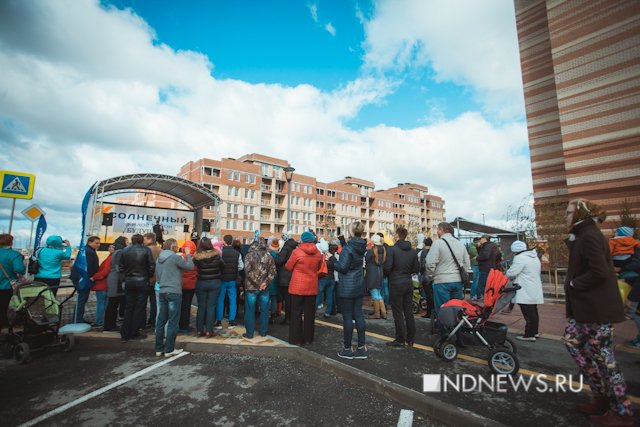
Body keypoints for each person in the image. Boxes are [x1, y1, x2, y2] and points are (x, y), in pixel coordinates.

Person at [563, 199, 633, 426]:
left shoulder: (590, 235)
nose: (566, 216)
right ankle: (601, 396)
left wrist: (574, 284)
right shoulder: (581, 236)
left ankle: (622, 412)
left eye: (569, 212)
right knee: (573, 342)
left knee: (605, 359)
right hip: (585, 310)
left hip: (596, 310)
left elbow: (600, 271)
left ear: (581, 214)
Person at [426, 222, 470, 336]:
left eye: (437, 230)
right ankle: (457, 334)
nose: (437, 232)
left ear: (441, 230)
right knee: (457, 310)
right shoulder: (460, 244)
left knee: (443, 310)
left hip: (442, 281)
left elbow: (430, 263)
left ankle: (445, 336)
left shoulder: (438, 243)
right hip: (457, 282)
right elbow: (466, 264)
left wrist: (431, 274)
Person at [333, 222, 368, 359]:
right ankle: (361, 348)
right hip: (358, 284)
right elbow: (351, 251)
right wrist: (342, 240)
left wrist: (331, 261)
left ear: (351, 232)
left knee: (347, 317)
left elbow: (343, 267)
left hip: (347, 286)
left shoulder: (349, 249)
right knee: (358, 315)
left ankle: (347, 349)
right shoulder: (361, 245)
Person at [155, 238, 194, 357]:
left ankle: (158, 348)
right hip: (174, 291)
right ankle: (169, 349)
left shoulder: (159, 259)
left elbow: (157, 276)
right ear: (173, 247)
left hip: (162, 290)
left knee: (161, 320)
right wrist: (187, 255)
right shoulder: (175, 257)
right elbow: (190, 266)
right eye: (176, 246)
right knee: (173, 321)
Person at [384, 227, 420, 347]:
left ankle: (400, 339)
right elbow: (416, 269)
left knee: (398, 312)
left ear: (397, 235)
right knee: (408, 312)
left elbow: (387, 268)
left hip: (396, 282)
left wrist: (390, 273)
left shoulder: (392, 249)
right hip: (408, 282)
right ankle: (411, 339)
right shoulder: (413, 251)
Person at [286, 231, 322, 346]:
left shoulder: (297, 252)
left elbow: (288, 266)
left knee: (296, 313)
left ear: (302, 240)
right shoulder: (318, 253)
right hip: (312, 285)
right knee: (310, 313)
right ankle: (308, 338)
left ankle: (296, 339)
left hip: (298, 286)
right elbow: (319, 267)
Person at [119, 234, 155, 342]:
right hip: (142, 280)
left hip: (129, 281)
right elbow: (151, 266)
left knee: (129, 307)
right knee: (139, 307)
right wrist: (148, 275)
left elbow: (120, 266)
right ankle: (134, 331)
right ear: (141, 240)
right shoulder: (146, 250)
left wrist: (125, 277)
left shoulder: (125, 250)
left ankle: (125, 333)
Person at [506, 240, 543, 342]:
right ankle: (534, 331)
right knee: (533, 311)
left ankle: (529, 334)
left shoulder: (520, 258)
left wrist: (505, 275)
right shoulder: (534, 257)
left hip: (525, 288)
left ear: (515, 251)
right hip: (534, 287)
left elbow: (512, 273)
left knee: (527, 311)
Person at [242, 236, 277, 339]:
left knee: (250, 310)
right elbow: (273, 272)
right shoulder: (269, 256)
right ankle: (263, 331)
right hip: (265, 288)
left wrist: (257, 284)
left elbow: (247, 272)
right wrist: (265, 283)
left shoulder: (249, 255)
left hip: (251, 287)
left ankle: (249, 333)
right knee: (264, 310)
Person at [193, 237, 224, 337]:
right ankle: (209, 331)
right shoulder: (216, 254)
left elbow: (193, 265)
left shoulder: (197, 256)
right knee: (211, 307)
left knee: (201, 307)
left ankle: (199, 330)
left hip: (201, 282)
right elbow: (223, 266)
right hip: (215, 282)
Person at [215, 235, 242, 330]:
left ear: (224, 241)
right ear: (232, 241)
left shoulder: (220, 253)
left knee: (220, 300)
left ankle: (218, 321)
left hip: (222, 279)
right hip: (232, 279)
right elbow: (241, 267)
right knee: (233, 300)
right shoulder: (237, 253)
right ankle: (231, 321)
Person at [71, 236, 100, 323]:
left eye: (99, 243)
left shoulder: (87, 250)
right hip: (83, 279)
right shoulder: (89, 252)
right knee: (82, 299)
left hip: (82, 278)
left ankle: (78, 318)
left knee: (82, 299)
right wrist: (91, 277)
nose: (98, 245)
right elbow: (88, 267)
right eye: (96, 243)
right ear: (90, 242)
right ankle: (77, 319)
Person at [0, 234, 25, 332]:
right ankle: (5, 326)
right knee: (5, 307)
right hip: (6, 285)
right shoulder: (14, 254)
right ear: (10, 242)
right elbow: (19, 269)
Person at [104, 236, 128, 332]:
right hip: (117, 280)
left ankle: (110, 324)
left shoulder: (117, 251)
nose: (128, 243)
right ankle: (109, 325)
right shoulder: (120, 252)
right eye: (127, 241)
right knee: (113, 304)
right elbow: (119, 268)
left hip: (116, 279)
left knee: (113, 304)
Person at [275, 231, 298, 325]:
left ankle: (287, 319)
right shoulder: (294, 249)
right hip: (292, 275)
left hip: (284, 276)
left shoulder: (286, 248)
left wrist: (273, 259)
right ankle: (291, 317)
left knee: (286, 299)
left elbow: (279, 261)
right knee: (290, 299)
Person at [90, 244, 114, 328]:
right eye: (109, 247)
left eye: (112, 247)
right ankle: (105, 321)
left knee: (101, 303)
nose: (109, 248)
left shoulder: (110, 258)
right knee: (105, 303)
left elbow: (105, 271)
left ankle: (99, 321)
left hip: (102, 283)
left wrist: (94, 277)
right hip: (107, 284)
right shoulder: (111, 257)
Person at [365, 233, 386, 320]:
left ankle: (377, 314)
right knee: (378, 294)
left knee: (374, 294)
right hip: (380, 273)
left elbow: (366, 260)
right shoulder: (383, 249)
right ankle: (383, 313)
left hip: (372, 274)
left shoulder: (371, 251)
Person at [179, 240, 198, 333]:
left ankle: (178, 323)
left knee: (179, 305)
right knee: (187, 305)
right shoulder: (195, 259)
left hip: (181, 284)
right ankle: (185, 325)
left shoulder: (180, 258)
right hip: (191, 285)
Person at [144, 233, 162, 328]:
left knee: (142, 301)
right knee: (154, 302)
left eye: (145, 239)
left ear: (150, 239)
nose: (144, 241)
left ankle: (143, 322)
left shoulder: (146, 250)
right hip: (157, 279)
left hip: (147, 278)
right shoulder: (160, 250)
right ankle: (153, 320)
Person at [475, 234, 499, 301]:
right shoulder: (490, 245)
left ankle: (488, 299)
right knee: (487, 285)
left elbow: (485, 256)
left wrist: (477, 258)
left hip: (485, 268)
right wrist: (478, 247)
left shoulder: (487, 246)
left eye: (481, 238)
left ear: (484, 239)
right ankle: (489, 299)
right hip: (490, 268)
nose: (480, 240)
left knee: (482, 285)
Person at [418, 237, 434, 318]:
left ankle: (429, 313)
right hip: (434, 276)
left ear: (424, 244)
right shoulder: (434, 251)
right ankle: (434, 313)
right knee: (433, 295)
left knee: (428, 295)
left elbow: (422, 265)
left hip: (426, 276)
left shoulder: (423, 252)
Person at [268, 238, 281, 323]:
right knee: (274, 298)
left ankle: (266, 314)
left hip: (269, 278)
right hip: (276, 278)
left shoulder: (268, 255)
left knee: (266, 297)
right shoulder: (279, 256)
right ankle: (273, 315)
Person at [377, 232, 390, 308]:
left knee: (381, 288)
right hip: (386, 270)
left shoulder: (378, 247)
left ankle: (382, 304)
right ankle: (385, 303)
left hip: (380, 270)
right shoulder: (387, 246)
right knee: (385, 288)